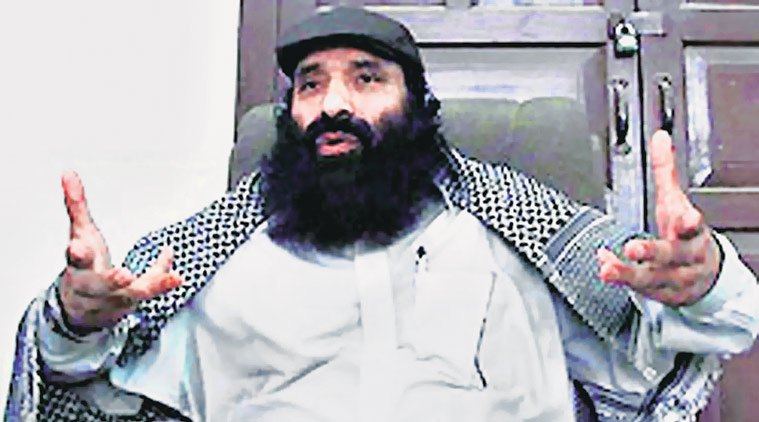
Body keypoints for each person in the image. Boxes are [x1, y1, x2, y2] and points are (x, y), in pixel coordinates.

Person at [5, 7, 758, 422]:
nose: (333, 104)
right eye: (310, 84)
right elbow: (88, 393)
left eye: (366, 78)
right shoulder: (209, 263)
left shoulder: (518, 239)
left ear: (416, 107)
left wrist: (701, 282)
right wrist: (74, 322)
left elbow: (685, 338)